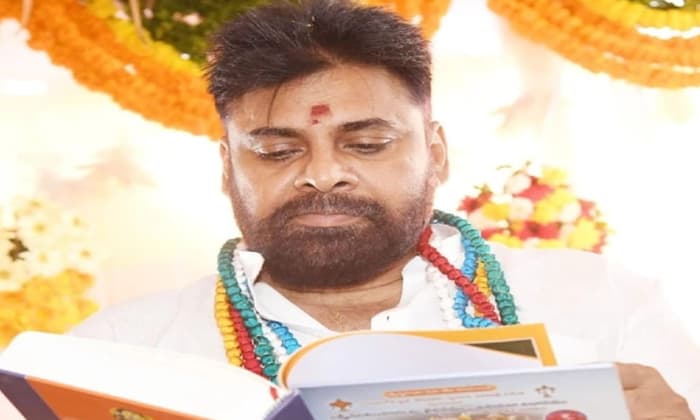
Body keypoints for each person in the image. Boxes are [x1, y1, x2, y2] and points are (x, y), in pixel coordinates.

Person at [71, 0, 699, 417]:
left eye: (366, 144)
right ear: (226, 167)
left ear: (436, 153)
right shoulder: (118, 352)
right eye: (277, 150)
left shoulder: (605, 304)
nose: (323, 174)